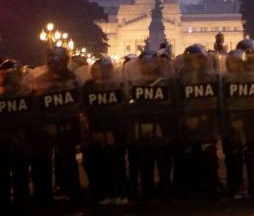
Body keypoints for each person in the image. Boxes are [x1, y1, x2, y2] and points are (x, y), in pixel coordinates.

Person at [31, 45, 83, 206]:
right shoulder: (41, 80)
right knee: (43, 163)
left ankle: (72, 192)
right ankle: (44, 195)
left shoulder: (72, 78)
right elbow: (36, 104)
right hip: (47, 128)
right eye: (52, 61)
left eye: (58, 61)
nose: (55, 65)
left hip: (64, 127)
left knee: (68, 161)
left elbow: (78, 103)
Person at [123, 49, 176, 200]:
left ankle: (163, 188)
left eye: (150, 62)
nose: (148, 65)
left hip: (159, 125)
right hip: (145, 125)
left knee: (161, 159)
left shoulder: (163, 80)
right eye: (145, 62)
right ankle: (149, 189)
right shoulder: (139, 82)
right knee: (146, 159)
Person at [0, 59, 36, 210]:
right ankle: (21, 203)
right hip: (18, 139)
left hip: (2, 140)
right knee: (20, 173)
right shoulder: (26, 94)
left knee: (2, 174)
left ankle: (2, 203)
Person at [174, 45, 222, 198]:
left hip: (206, 121)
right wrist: (186, 119)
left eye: (200, 58)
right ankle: (190, 185)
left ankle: (210, 184)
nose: (197, 62)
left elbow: (216, 100)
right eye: (193, 59)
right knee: (188, 154)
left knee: (208, 153)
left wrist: (203, 118)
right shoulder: (180, 77)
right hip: (188, 122)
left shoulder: (211, 76)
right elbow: (177, 101)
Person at [222, 40, 254, 198]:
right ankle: (241, 184)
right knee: (236, 153)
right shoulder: (231, 75)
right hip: (238, 117)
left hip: (252, 118)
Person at [80, 57, 128, 203]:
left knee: (116, 161)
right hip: (97, 129)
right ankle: (103, 190)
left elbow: (124, 106)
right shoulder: (88, 87)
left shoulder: (117, 85)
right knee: (98, 161)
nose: (101, 72)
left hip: (113, 129)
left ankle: (117, 190)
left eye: (104, 69)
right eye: (98, 70)